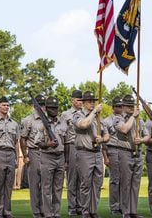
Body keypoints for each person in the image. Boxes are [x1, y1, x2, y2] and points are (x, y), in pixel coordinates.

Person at [72, 91, 109, 218]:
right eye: (89, 101)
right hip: (84, 153)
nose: (92, 103)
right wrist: (94, 113)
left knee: (97, 184)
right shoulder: (78, 115)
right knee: (85, 183)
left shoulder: (99, 118)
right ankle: (85, 211)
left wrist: (102, 139)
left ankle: (93, 210)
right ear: (83, 103)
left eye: (93, 101)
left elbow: (107, 134)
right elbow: (83, 124)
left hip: (97, 153)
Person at [115, 94, 148, 218]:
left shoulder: (140, 120)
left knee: (135, 184)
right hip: (125, 152)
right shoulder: (118, 119)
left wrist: (142, 140)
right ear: (123, 106)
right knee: (126, 183)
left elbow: (147, 135)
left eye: (132, 106)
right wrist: (133, 116)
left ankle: (133, 211)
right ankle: (126, 212)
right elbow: (124, 129)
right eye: (128, 106)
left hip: (138, 153)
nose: (131, 108)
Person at [36, 96, 67, 218]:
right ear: (47, 109)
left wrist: (67, 160)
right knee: (47, 188)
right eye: (52, 108)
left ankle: (56, 213)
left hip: (60, 157)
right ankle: (48, 214)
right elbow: (38, 142)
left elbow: (67, 142)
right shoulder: (41, 124)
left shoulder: (62, 123)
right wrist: (48, 144)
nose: (55, 110)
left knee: (58, 188)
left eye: (56, 108)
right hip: (47, 156)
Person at [20, 94, 46, 218]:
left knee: (46, 183)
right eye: (38, 105)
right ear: (34, 106)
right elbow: (23, 139)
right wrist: (25, 155)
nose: (41, 107)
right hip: (34, 151)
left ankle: (45, 209)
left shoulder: (49, 119)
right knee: (35, 184)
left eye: (43, 105)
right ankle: (36, 211)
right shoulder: (27, 120)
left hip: (47, 153)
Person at [60, 89, 83, 217]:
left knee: (82, 179)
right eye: (78, 100)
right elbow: (63, 134)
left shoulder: (85, 113)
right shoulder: (66, 114)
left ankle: (80, 206)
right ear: (72, 100)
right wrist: (65, 157)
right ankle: (72, 207)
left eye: (82, 100)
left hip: (84, 147)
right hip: (72, 146)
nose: (80, 102)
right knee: (72, 179)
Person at [103, 96, 123, 216]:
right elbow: (104, 142)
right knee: (115, 180)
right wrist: (105, 157)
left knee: (124, 180)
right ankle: (114, 206)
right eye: (117, 106)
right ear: (113, 107)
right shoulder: (107, 121)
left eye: (121, 106)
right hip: (113, 150)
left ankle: (123, 205)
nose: (119, 108)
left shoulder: (126, 120)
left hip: (125, 151)